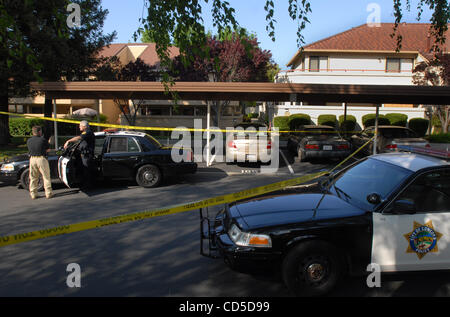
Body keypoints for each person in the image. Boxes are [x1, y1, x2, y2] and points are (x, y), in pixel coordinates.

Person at [64, 120, 96, 190]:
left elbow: (79, 138)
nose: (79, 127)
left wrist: (68, 141)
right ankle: (86, 185)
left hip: (87, 155)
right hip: (84, 155)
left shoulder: (88, 132)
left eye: (80, 126)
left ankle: (88, 186)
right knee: (84, 170)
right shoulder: (86, 133)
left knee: (86, 171)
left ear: (84, 126)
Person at [27, 126, 53, 200]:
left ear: (33, 132)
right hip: (41, 159)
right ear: (39, 132)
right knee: (46, 176)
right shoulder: (43, 140)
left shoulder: (29, 141)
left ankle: (33, 194)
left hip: (32, 159)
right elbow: (48, 150)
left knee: (33, 177)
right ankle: (48, 193)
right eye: (41, 131)